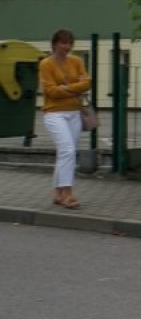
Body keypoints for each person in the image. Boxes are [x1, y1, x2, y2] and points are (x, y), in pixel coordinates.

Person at [39, 28, 90, 210]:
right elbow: (50, 91)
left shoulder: (76, 61)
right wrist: (75, 88)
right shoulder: (46, 64)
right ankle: (67, 193)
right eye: (63, 43)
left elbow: (87, 83)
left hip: (74, 112)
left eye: (69, 43)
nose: (67, 47)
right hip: (54, 113)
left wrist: (65, 88)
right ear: (55, 44)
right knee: (68, 150)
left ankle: (57, 194)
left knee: (66, 152)